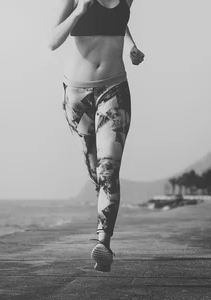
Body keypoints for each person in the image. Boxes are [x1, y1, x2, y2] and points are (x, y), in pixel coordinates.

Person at [48, 0, 145, 272]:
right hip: (77, 98)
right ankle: (102, 201)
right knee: (95, 171)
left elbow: (119, 22)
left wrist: (131, 47)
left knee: (108, 170)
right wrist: (79, 11)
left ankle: (103, 243)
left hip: (114, 89)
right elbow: (52, 41)